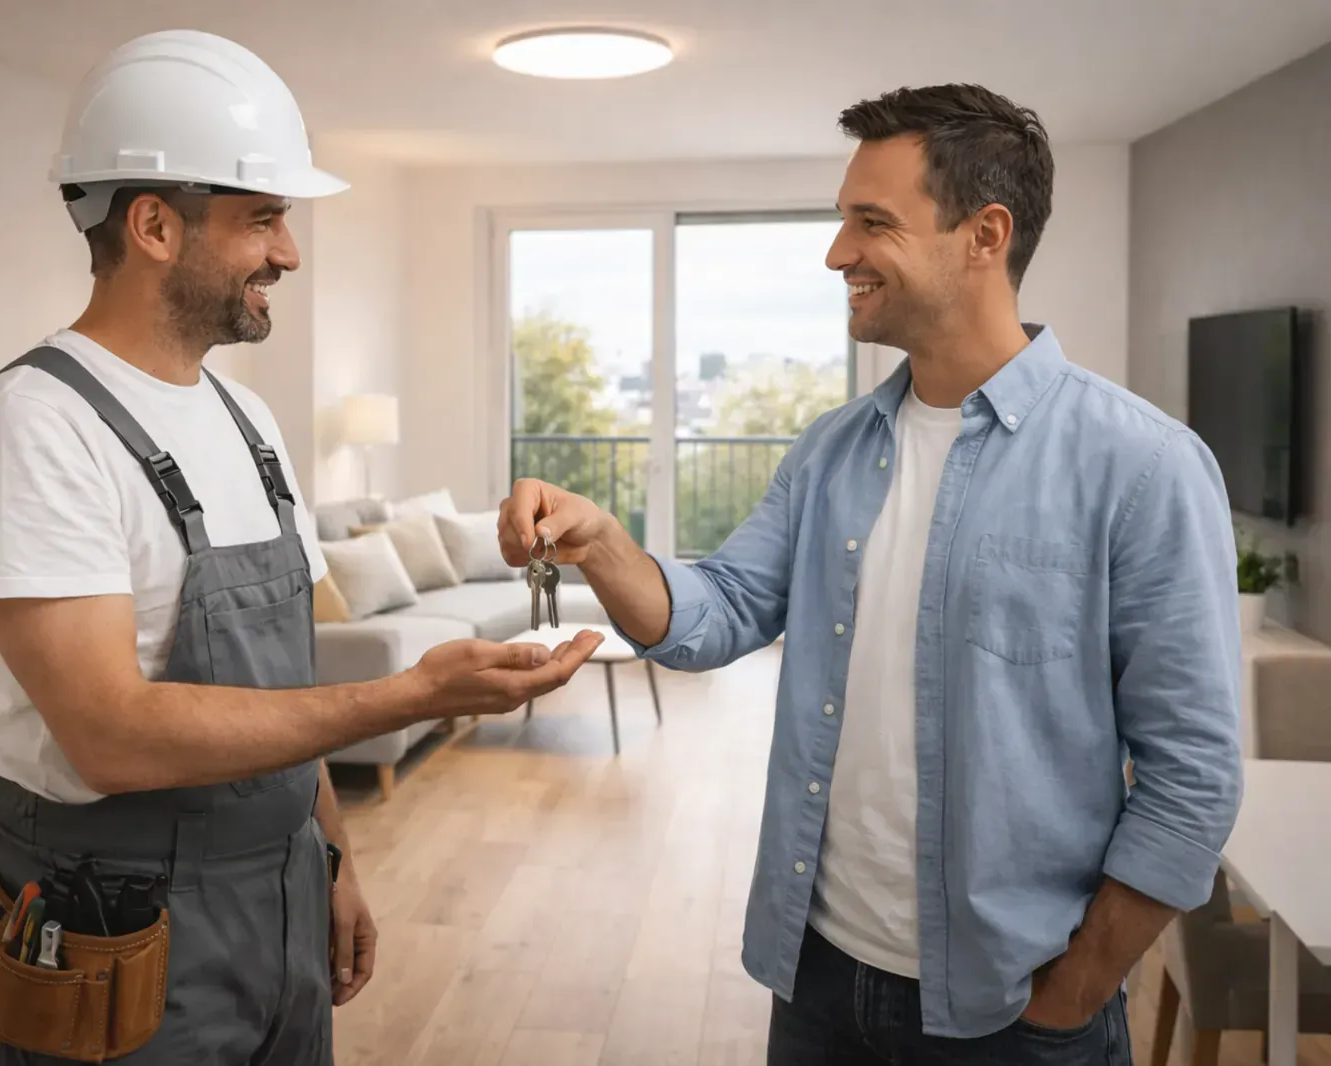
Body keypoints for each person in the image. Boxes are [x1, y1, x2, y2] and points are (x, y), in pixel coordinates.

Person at [498, 83, 1242, 1065]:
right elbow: (715, 613)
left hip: (1015, 1010)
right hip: (816, 980)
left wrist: (1078, 988)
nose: (836, 252)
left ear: (984, 234)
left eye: (870, 222)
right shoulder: (830, 451)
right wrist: (600, 541)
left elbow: (1191, 773)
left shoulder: (1143, 467)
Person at [0, 29, 602, 1066]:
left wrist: (331, 854)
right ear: (153, 223)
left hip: (281, 885)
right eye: (262, 219)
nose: (289, 253)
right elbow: (108, 735)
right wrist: (413, 694)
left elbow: (279, 682)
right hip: (118, 917)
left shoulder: (248, 421)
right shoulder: (33, 425)